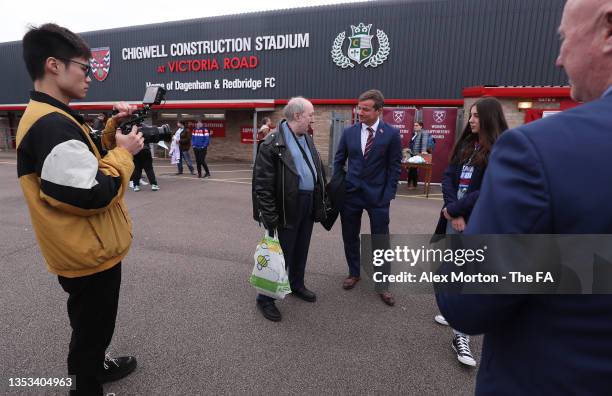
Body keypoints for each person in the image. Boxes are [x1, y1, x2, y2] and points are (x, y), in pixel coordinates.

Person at [436, 0, 612, 393]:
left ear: (608, 29)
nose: (558, 58)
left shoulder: (535, 150)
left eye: (565, 38)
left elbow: (471, 301)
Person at [16, 23, 142, 395]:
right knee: (92, 328)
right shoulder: (51, 124)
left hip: (85, 248)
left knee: (90, 325)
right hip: (87, 253)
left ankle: (94, 366)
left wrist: (112, 131)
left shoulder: (56, 117)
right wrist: (124, 153)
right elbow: (94, 192)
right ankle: (87, 384)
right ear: (54, 65)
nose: (90, 76)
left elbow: (84, 164)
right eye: (85, 68)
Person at [433, 97, 508, 367]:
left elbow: (488, 188)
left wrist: (457, 210)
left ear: (490, 118)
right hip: (456, 219)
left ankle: (460, 335)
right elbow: (447, 177)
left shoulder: (502, 148)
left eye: (476, 116)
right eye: (470, 115)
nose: (471, 120)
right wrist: (452, 209)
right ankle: (455, 316)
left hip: (477, 222)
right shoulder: (466, 144)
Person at [252, 97, 328, 322]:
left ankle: (296, 284)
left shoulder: (306, 137)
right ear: (297, 116)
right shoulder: (271, 142)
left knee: (301, 248)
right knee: (279, 255)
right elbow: (262, 184)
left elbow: (315, 168)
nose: (312, 120)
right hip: (284, 206)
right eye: (310, 115)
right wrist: (269, 215)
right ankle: (265, 299)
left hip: (306, 202)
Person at [333, 89, 402, 306]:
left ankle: (383, 283)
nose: (359, 112)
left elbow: (394, 167)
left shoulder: (391, 134)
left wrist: (388, 195)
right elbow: (338, 161)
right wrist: (339, 185)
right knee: (350, 236)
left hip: (378, 197)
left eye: (365, 109)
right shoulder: (349, 132)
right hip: (351, 195)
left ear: (379, 111)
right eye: (358, 107)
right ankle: (354, 273)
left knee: (380, 239)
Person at [407, 121, 434, 189]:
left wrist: (424, 151)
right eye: (414, 125)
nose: (415, 127)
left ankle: (413, 185)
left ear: (421, 126)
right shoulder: (415, 133)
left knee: (413, 169)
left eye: (416, 125)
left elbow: (424, 142)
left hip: (418, 155)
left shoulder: (424, 133)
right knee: (411, 169)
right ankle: (410, 184)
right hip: (413, 154)